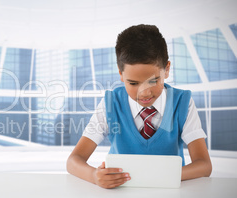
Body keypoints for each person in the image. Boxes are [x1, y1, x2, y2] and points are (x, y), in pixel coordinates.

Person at [66, 24, 212, 189]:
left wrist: (158, 176)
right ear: (121, 75)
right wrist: (94, 175)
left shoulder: (182, 102)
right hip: (120, 190)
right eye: (133, 83)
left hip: (167, 191)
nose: (144, 93)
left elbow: (204, 165)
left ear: (167, 70)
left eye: (153, 81)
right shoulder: (110, 103)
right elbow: (73, 161)